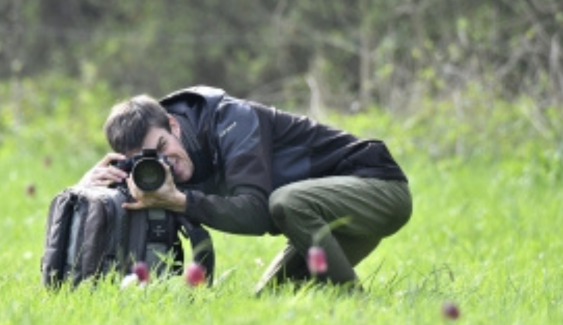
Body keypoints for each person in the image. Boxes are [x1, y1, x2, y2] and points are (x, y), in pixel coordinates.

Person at [79, 85, 412, 293]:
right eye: (149, 160)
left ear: (174, 125)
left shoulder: (231, 119)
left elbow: (256, 211)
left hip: (378, 188)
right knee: (266, 303)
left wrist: (181, 201)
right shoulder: (166, 165)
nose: (166, 163)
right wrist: (90, 190)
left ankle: (354, 302)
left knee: (284, 200)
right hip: (326, 225)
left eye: (163, 147)